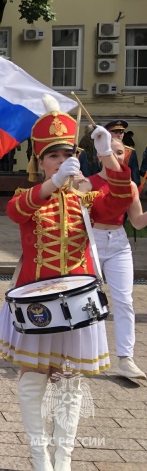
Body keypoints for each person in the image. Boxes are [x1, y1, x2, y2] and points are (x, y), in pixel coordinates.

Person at [0, 101, 132, 471]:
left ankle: (63, 460)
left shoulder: (87, 200)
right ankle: (40, 459)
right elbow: (15, 211)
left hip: (79, 303)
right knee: (34, 379)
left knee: (70, 382)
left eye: (67, 153)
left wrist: (108, 157)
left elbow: (121, 200)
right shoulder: (30, 197)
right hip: (37, 303)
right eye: (53, 155)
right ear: (40, 161)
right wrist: (52, 185)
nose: (61, 160)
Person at [76, 138, 146, 379]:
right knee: (89, 300)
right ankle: (85, 354)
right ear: (100, 155)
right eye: (112, 152)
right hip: (92, 240)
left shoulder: (131, 187)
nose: (117, 157)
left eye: (121, 153)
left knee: (125, 300)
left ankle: (126, 359)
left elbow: (137, 222)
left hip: (118, 243)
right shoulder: (88, 183)